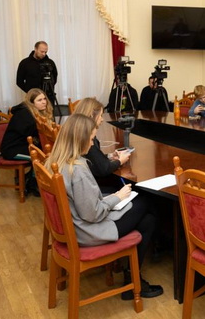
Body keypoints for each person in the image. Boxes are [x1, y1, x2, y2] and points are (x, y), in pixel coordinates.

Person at [45, 113, 163, 299]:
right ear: (80, 140)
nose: (93, 144)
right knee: (146, 201)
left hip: (75, 227)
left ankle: (133, 279)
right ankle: (136, 275)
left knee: (147, 219)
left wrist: (113, 198)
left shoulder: (56, 161)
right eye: (92, 139)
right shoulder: (78, 170)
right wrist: (117, 197)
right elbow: (92, 214)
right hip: (89, 231)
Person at [1, 88, 54, 195]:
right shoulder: (25, 115)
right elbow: (34, 135)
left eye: (44, 99)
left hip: (23, 146)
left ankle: (28, 180)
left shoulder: (33, 112)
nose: (44, 102)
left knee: (43, 155)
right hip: (12, 150)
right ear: (32, 103)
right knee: (41, 158)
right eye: (39, 100)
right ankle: (33, 184)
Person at [73, 97, 131, 194]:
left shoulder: (78, 132)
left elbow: (93, 159)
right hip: (95, 187)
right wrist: (120, 161)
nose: (102, 119)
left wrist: (110, 156)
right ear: (92, 116)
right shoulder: (86, 138)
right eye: (100, 115)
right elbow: (103, 169)